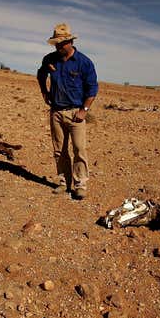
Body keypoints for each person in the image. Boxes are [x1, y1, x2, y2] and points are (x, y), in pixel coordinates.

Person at [37, 23, 98, 200]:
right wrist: (44, 92)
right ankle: (64, 182)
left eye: (61, 43)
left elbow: (92, 88)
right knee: (59, 150)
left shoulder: (84, 62)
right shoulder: (49, 59)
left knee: (79, 149)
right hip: (56, 112)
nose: (58, 47)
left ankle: (80, 185)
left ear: (70, 42)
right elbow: (41, 75)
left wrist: (84, 110)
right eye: (56, 44)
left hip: (75, 113)